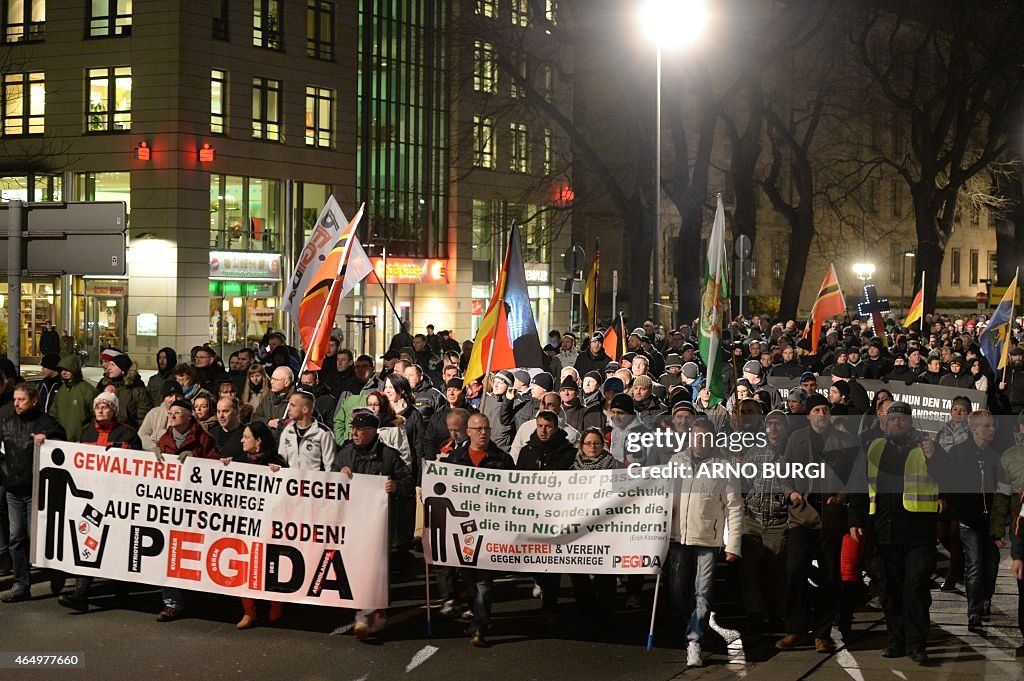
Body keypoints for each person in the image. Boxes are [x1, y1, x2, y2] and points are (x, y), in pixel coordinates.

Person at [848, 402, 944, 665]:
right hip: (884, 534)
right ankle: (896, 641)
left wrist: (936, 458)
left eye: (902, 420)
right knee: (890, 590)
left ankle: (917, 644)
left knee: (915, 590)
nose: (897, 424)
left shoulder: (928, 448)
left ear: (910, 423)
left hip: (918, 535)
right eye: (892, 420)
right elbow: (858, 484)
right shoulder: (874, 448)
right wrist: (855, 519)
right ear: (885, 423)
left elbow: (948, 479)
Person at [776, 395, 859, 654]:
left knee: (829, 576)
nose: (820, 414)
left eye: (824, 409)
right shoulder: (797, 438)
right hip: (802, 516)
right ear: (809, 414)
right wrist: (791, 493)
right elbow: (785, 474)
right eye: (816, 410)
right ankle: (795, 628)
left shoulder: (845, 440)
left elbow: (856, 478)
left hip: (831, 518)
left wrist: (842, 496)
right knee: (795, 570)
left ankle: (822, 633)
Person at [667, 417, 742, 668]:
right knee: (678, 590)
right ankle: (694, 624)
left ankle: (694, 640)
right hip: (678, 538)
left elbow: (734, 507)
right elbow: (662, 498)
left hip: (708, 541)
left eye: (705, 437)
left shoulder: (724, 466)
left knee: (703, 592)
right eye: (696, 436)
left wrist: (733, 544)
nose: (700, 442)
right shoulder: (676, 461)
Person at [57, 392, 141, 612]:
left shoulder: (128, 435)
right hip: (93, 500)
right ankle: (81, 594)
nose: (101, 410)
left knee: (119, 545)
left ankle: (122, 592)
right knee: (88, 542)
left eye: (106, 406)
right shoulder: (87, 433)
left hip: (118, 499)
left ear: (114, 409)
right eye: (98, 406)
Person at [334, 409, 413, 641]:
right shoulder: (345, 454)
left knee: (375, 569)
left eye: (360, 430)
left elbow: (408, 480)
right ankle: (367, 612)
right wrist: (339, 473)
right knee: (356, 568)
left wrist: (396, 486)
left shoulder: (389, 456)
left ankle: (368, 614)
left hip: (379, 525)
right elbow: (327, 479)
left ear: (372, 431)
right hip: (352, 522)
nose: (355, 433)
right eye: (353, 429)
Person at [443, 413, 516, 646]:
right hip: (463, 529)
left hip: (490, 529)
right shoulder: (455, 459)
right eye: (478, 428)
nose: (483, 432)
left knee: (484, 580)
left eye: (486, 428)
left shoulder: (502, 460)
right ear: (469, 432)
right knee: (469, 579)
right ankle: (478, 617)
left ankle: (480, 625)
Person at [0, 384, 65, 602]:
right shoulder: (7, 422)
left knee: (39, 536)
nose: (16, 404)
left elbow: (63, 451)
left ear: (34, 400)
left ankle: (58, 570)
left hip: (37, 489)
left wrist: (48, 440)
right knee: (16, 537)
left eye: (22, 400)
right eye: (15, 400)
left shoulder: (47, 424)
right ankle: (21, 584)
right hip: (13, 489)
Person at [943, 409, 1000, 632]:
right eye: (986, 426)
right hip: (970, 521)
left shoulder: (995, 456)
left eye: (993, 425)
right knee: (974, 565)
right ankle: (974, 611)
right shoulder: (959, 453)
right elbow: (951, 485)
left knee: (991, 564)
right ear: (974, 429)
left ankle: (986, 598)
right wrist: (960, 512)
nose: (991, 429)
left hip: (991, 522)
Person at [230, 421, 286, 628]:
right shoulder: (237, 461)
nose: (242, 440)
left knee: (272, 565)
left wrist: (280, 474)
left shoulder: (277, 463)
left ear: (259, 441)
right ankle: (249, 611)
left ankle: (275, 604)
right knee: (244, 565)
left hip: (270, 526)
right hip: (244, 524)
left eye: (246, 437)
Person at [569, 427, 623, 638]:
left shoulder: (614, 467)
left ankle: (606, 621)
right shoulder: (571, 470)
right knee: (580, 581)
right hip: (579, 532)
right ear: (581, 446)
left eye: (597, 443)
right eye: (588, 443)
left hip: (606, 532)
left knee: (606, 580)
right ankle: (585, 618)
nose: (592, 447)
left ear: (603, 445)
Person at [740, 410, 790, 634]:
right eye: (770, 423)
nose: (774, 428)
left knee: (776, 571)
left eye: (778, 424)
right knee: (749, 570)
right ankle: (754, 612)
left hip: (778, 520)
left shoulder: (791, 451)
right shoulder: (756, 451)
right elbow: (746, 482)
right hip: (753, 517)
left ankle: (777, 612)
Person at [278, 391, 336, 471]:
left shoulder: (323, 433)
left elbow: (330, 466)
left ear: (305, 409)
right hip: (292, 481)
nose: (289, 409)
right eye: (289, 405)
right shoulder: (287, 430)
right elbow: (281, 460)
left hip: (314, 481)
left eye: (293, 405)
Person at [96, 353, 153, 429]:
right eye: (109, 364)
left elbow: (143, 418)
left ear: (122, 370)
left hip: (129, 434)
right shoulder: (104, 385)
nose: (109, 368)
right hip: (107, 432)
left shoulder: (137, 389)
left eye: (113, 365)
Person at [49, 354, 95, 442]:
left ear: (75, 369)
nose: (63, 372)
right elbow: (53, 414)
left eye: (67, 369)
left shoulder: (88, 390)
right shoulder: (61, 390)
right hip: (61, 441)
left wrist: (87, 437)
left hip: (81, 442)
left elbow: (96, 417)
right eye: (61, 370)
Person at [139, 382, 184, 453]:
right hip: (153, 454)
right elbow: (142, 433)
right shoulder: (154, 413)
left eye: (178, 396)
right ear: (164, 398)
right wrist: (153, 448)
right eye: (170, 396)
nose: (174, 399)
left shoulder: (189, 414)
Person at [210, 396, 246, 461]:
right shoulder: (212, 433)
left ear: (237, 411)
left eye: (225, 411)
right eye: (218, 411)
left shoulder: (247, 434)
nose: (221, 416)